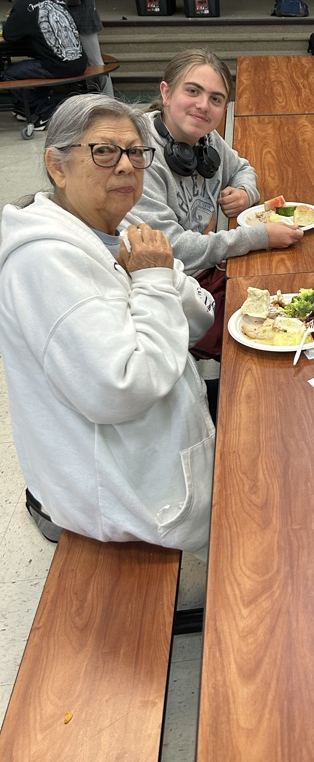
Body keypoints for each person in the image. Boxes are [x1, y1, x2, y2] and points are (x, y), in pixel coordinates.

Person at [0, 94, 216, 554]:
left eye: (136, 152)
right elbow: (121, 389)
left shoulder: (120, 223)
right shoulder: (44, 262)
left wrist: (157, 278)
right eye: (103, 151)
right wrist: (157, 279)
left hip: (155, 451)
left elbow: (199, 320)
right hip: (131, 499)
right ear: (57, 167)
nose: (125, 166)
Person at [129, 48, 303, 359]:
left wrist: (245, 192)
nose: (202, 105)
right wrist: (259, 237)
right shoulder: (137, 158)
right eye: (192, 91)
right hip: (165, 293)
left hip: (203, 272)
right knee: (269, 340)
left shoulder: (206, 140)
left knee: (292, 288)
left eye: (216, 99)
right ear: (166, 93)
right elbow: (173, 249)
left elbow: (243, 168)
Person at [0, 0, 86, 128]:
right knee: (36, 66)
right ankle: (23, 108)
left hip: (58, 66)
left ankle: (45, 111)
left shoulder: (25, 4)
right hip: (79, 61)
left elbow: (9, 35)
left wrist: (14, 14)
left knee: (10, 74)